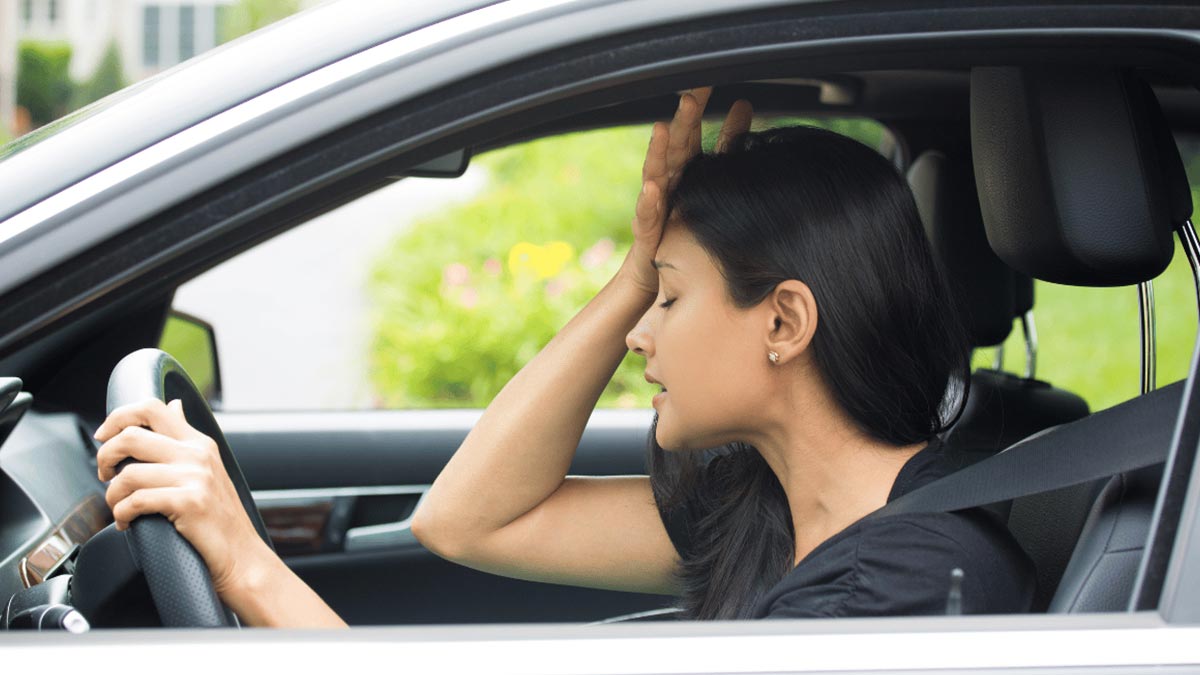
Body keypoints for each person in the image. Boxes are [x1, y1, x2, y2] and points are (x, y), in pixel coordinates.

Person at [93, 88, 1035, 627]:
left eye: (668, 299)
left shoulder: (888, 596)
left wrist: (247, 563)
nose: (639, 333)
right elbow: (468, 521)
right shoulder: (779, 514)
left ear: (784, 322)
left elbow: (465, 526)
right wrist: (637, 268)